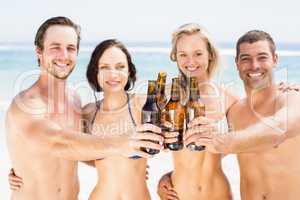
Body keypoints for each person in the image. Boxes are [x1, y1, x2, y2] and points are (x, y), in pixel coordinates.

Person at [5, 16, 163, 200]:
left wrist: (123, 163)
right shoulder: (26, 104)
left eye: (70, 48)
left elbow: (79, 150)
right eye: (55, 47)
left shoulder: (74, 100)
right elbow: (57, 142)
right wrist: (122, 144)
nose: (64, 55)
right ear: (39, 52)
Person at [185, 30, 300, 199]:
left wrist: (224, 141)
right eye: (246, 58)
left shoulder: (292, 98)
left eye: (262, 57)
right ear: (237, 63)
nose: (254, 66)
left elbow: (278, 129)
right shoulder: (236, 110)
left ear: (275, 60)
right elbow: (230, 148)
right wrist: (173, 175)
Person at [81, 39, 177, 199]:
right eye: (104, 67)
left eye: (120, 67)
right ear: (95, 72)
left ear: (129, 71)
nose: (113, 74)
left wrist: (168, 176)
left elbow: (183, 87)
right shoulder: (88, 113)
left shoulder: (143, 104)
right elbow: (74, 151)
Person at [157, 23, 235, 200]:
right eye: (183, 54)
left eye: (198, 54)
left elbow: (252, 141)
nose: (190, 61)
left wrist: (285, 91)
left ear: (210, 55)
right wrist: (162, 178)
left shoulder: (230, 99)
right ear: (175, 57)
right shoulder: (167, 99)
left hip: (219, 194)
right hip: (179, 194)